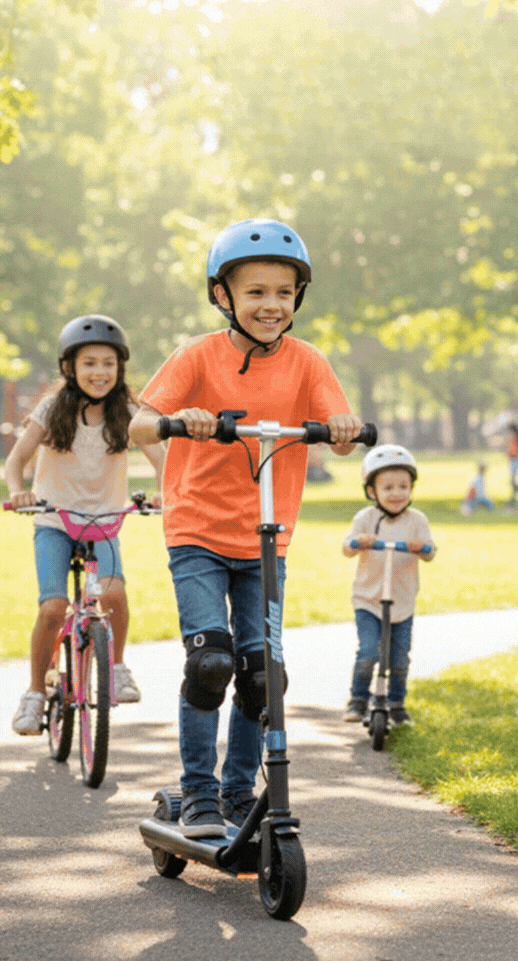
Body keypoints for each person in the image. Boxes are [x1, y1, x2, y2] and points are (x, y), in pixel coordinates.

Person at [128, 219, 362, 837]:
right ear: (222, 295)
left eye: (284, 292)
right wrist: (182, 417)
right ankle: (199, 792)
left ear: (298, 297)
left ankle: (237, 792)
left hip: (266, 536)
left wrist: (342, 428)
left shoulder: (308, 362)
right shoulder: (196, 355)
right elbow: (139, 425)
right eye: (255, 292)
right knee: (211, 663)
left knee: (263, 676)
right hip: (197, 531)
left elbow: (341, 433)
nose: (271, 305)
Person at [7, 315, 165, 736]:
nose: (100, 372)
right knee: (53, 607)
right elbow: (16, 460)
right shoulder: (52, 408)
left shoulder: (128, 412)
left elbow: (162, 458)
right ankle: (35, 691)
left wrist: (164, 491)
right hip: (54, 521)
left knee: (113, 594)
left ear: (120, 368)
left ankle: (118, 667)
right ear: (70, 368)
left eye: (109, 364)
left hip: (104, 523)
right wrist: (19, 491)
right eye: (90, 363)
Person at [343, 444, 435, 724]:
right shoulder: (366, 518)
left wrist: (421, 547)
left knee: (399, 659)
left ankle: (396, 703)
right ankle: (358, 699)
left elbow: (430, 551)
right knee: (368, 653)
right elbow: (347, 547)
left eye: (403, 486)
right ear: (372, 491)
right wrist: (360, 541)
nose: (397, 493)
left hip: (402, 602)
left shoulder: (417, 520)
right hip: (368, 600)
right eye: (388, 487)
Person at [506, 422, 518, 502]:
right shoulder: (512, 437)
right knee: (512, 480)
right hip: (512, 459)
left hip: (515, 459)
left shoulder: (516, 438)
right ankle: (514, 496)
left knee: (513, 480)